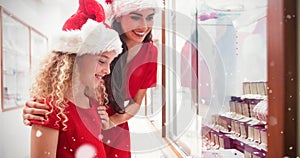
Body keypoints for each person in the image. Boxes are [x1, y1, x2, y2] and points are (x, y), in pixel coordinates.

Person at [23, 0, 163, 157]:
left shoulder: (149, 52)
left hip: (112, 122)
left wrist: (112, 122)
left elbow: (137, 102)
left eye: (150, 17)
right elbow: (67, 73)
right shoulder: (103, 40)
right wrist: (41, 107)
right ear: (118, 16)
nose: (143, 26)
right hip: (85, 114)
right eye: (135, 17)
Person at [29, 3, 123, 157]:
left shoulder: (91, 102)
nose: (107, 70)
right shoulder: (49, 110)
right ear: (74, 59)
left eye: (110, 63)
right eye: (101, 61)